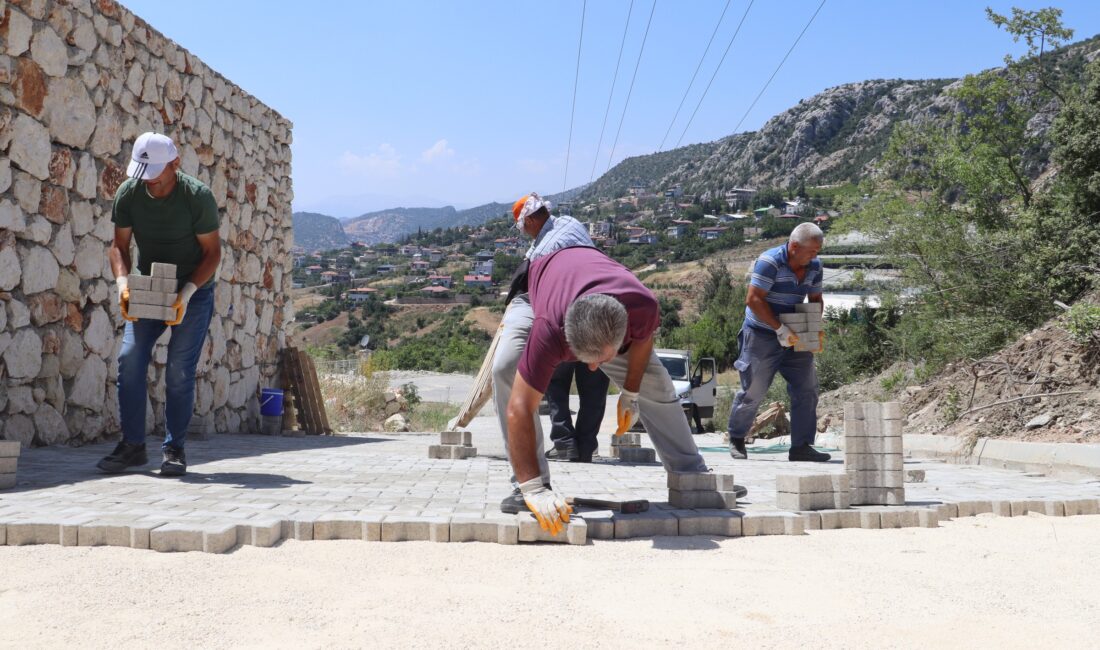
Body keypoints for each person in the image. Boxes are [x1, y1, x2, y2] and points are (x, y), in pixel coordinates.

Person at [502, 246, 708, 534]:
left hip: (596, 291)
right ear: (566, 341)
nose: (592, 369)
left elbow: (643, 339)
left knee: (656, 382)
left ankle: (693, 477)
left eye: (601, 360)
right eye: (587, 359)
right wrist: (532, 488)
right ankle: (530, 483)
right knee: (504, 367)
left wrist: (631, 392)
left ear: (624, 332)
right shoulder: (548, 330)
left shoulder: (643, 305)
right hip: (535, 294)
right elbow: (519, 408)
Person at [96, 132, 221, 477]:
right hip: (147, 287)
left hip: (193, 289)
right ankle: (133, 446)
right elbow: (118, 246)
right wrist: (123, 285)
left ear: (175, 163)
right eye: (143, 172)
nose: (148, 181)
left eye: (156, 174)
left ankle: (174, 449)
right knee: (130, 359)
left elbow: (212, 253)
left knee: (179, 370)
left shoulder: (197, 197)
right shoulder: (129, 193)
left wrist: (187, 293)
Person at [491, 194, 608, 492]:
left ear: (530, 220)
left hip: (559, 316)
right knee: (594, 389)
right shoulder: (569, 225)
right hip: (590, 314)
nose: (524, 233)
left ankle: (565, 443)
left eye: (523, 227)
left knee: (555, 387)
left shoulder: (545, 247)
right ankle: (584, 446)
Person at [726, 222, 829, 463]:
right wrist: (779, 328)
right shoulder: (770, 262)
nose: (815, 256)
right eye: (812, 251)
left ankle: (801, 446)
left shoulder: (815, 266)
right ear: (794, 247)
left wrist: (813, 326)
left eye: (817, 251)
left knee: (807, 388)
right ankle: (737, 438)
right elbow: (753, 299)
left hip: (796, 332)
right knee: (754, 389)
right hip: (761, 333)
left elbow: (815, 298)